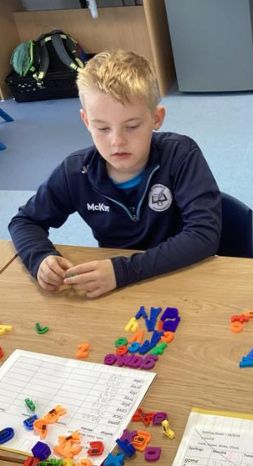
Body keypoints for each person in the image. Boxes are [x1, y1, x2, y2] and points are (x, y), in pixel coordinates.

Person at [9, 50, 222, 298]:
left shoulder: (181, 155)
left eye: (131, 126)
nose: (117, 141)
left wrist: (123, 271)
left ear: (156, 118)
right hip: (119, 292)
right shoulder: (75, 172)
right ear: (86, 121)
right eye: (102, 128)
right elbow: (24, 222)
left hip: (181, 278)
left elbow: (203, 235)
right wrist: (41, 258)